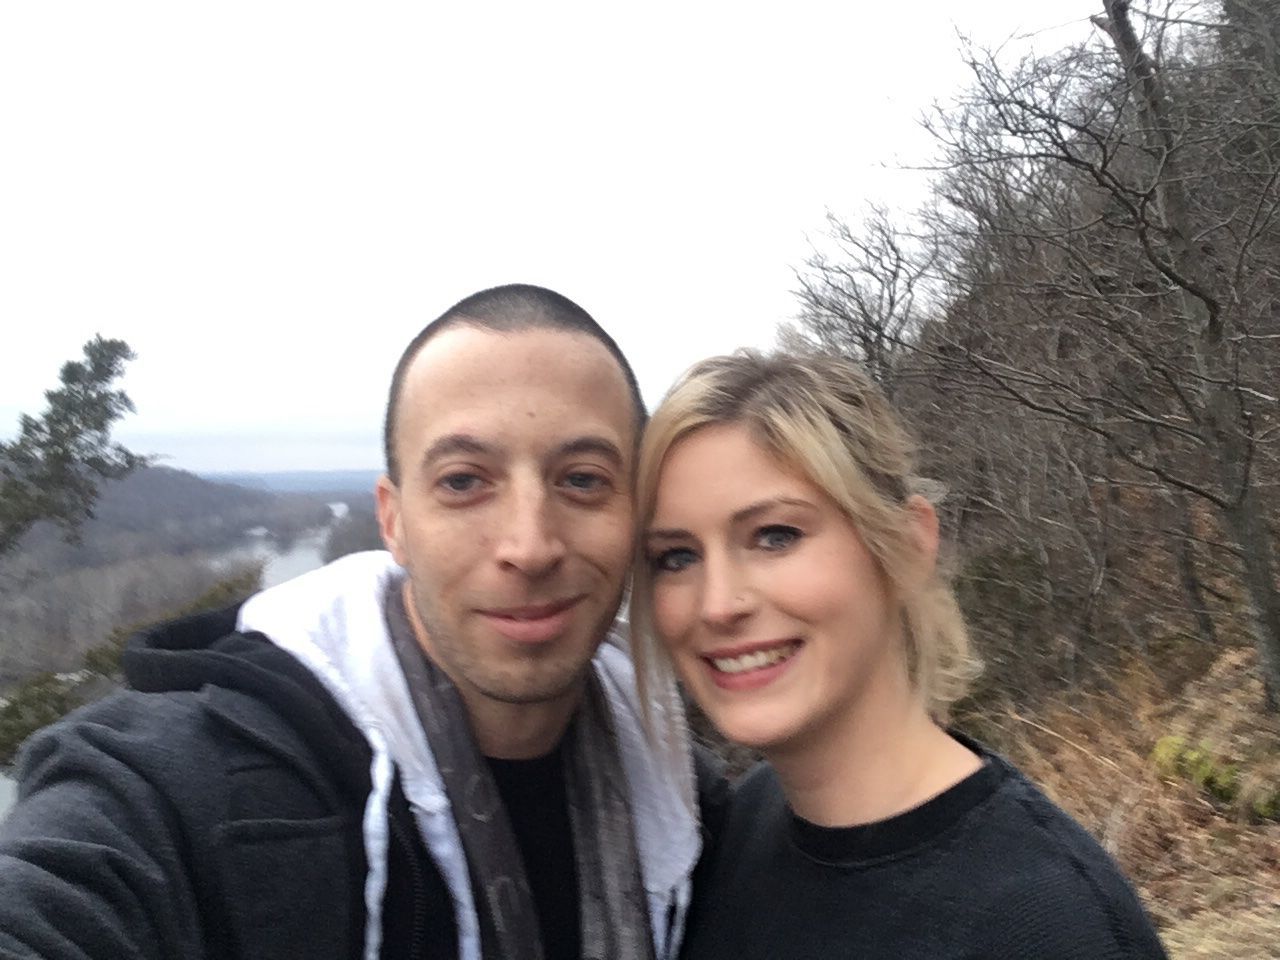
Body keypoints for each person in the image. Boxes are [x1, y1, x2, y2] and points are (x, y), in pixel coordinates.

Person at [0, 284, 711, 960]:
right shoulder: (188, 788)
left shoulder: (682, 793)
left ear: (637, 515)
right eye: (464, 482)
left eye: (582, 479)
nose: (528, 546)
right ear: (394, 522)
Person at [629, 349, 1169, 960]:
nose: (718, 605)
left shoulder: (1049, 924)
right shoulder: (737, 831)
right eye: (676, 557)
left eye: (775, 536)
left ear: (909, 545)